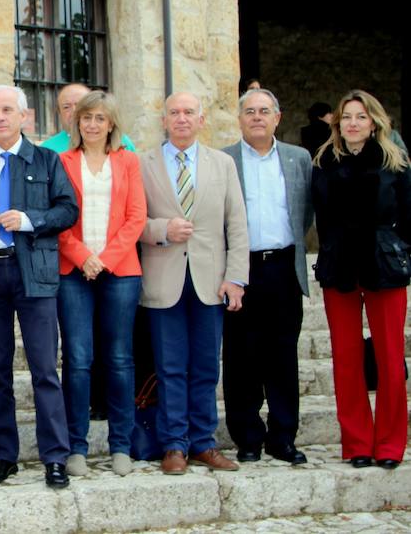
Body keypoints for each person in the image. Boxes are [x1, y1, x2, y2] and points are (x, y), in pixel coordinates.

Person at [0, 85, 79, 489]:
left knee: (44, 369)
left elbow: (67, 209)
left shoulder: (46, 160)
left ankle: (55, 457)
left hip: (35, 275)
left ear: (25, 116)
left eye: (9, 110)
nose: (1, 117)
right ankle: (4, 456)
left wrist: (28, 220)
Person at [139, 91, 249, 475]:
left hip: (210, 280)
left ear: (202, 120)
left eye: (189, 112)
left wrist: (236, 277)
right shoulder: (144, 164)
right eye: (174, 113)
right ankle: (173, 445)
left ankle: (203, 442)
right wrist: (162, 229)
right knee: (169, 367)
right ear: (164, 120)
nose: (182, 118)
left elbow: (236, 223)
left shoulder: (222, 164)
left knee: (205, 366)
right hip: (163, 277)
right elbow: (133, 221)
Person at [312, 89, 410, 470]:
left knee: (388, 356)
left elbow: (409, 212)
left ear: (374, 122)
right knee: (347, 358)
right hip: (340, 266)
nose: (353, 123)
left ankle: (389, 443)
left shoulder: (394, 161)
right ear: (338, 123)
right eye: (347, 117)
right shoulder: (324, 162)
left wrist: (398, 250)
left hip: (383, 265)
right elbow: (321, 215)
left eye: (361, 117)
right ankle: (357, 443)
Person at [56, 91, 146, 477]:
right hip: (73, 271)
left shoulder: (128, 162)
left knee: (121, 359)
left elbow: (136, 217)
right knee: (77, 359)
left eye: (99, 118)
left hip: (120, 272)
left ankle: (120, 445)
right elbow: (56, 217)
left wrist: (104, 260)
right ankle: (75, 446)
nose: (92, 124)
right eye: (86, 117)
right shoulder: (61, 161)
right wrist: (83, 257)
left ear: (111, 124)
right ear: (77, 122)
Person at [221, 88, 313, 465]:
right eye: (249, 111)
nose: (257, 117)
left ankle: (283, 436)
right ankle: (246, 437)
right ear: (240, 119)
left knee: (282, 355)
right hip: (240, 270)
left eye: (264, 111)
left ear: (278, 117)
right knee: (241, 356)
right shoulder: (224, 160)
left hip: (283, 268)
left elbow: (305, 212)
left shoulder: (299, 158)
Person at [40, 83, 136, 154]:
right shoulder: (46, 149)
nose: (74, 111)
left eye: (79, 105)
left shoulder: (122, 142)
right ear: (59, 112)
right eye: (66, 107)